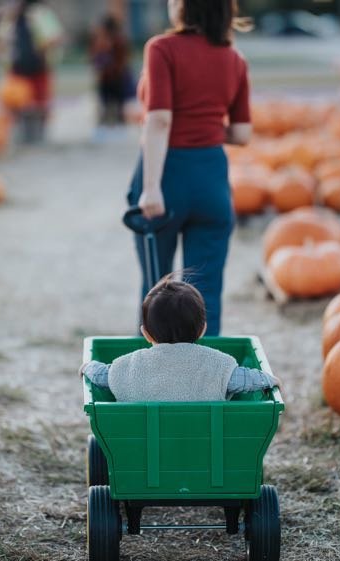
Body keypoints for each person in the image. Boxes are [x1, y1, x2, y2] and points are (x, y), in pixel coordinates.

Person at [128, 0, 252, 336]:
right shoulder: (234, 59)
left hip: (167, 175)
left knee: (157, 289)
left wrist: (151, 186)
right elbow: (242, 133)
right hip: (212, 177)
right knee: (207, 292)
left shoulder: (162, 48)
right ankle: (207, 379)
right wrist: (207, 126)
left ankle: (151, 378)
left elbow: (159, 120)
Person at [81, 277, 278, 402]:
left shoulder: (130, 366)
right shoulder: (216, 366)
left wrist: (87, 367)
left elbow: (103, 376)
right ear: (202, 330)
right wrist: (269, 380)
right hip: (206, 444)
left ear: (146, 334)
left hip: (143, 444)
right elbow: (243, 379)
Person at [10, 0, 63, 143]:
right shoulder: (39, 14)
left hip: (26, 68)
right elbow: (55, 38)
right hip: (31, 68)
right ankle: (34, 137)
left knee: (28, 105)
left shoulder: (24, 14)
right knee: (31, 105)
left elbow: (54, 38)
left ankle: (29, 137)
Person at [91, 14, 132, 127]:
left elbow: (122, 60)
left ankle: (117, 124)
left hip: (116, 78)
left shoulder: (118, 41)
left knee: (117, 106)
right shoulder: (99, 41)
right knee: (106, 106)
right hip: (106, 78)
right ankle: (106, 124)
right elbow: (94, 59)